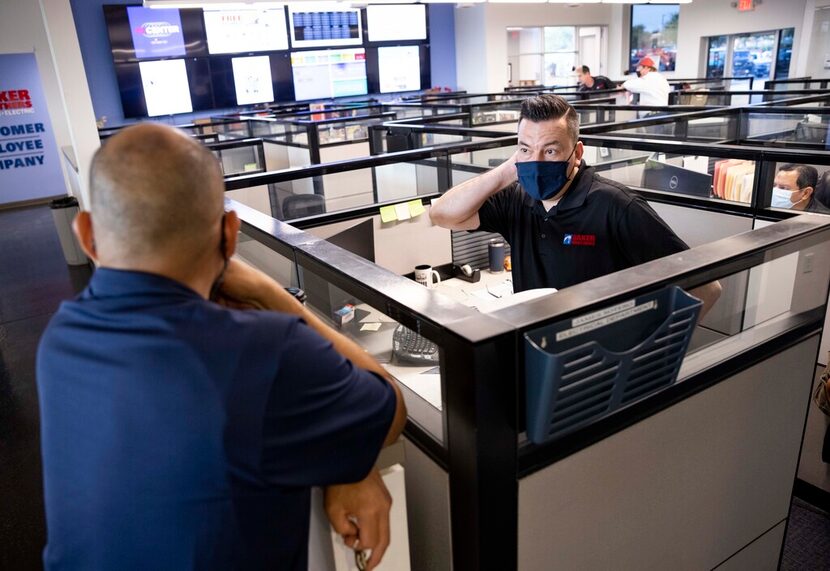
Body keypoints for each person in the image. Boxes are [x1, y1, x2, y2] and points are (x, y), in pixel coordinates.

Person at [36, 124, 407, 571]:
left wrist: (342, 458)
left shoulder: (60, 338)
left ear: (87, 234)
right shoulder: (264, 350)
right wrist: (277, 299)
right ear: (230, 234)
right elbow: (389, 413)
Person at [429, 94, 721, 314]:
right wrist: (509, 169)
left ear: (577, 152)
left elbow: (707, 286)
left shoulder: (617, 206)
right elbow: (441, 215)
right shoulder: (517, 199)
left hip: (598, 362)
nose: (537, 162)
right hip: (534, 347)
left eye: (551, 150)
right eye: (526, 149)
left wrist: (652, 357)